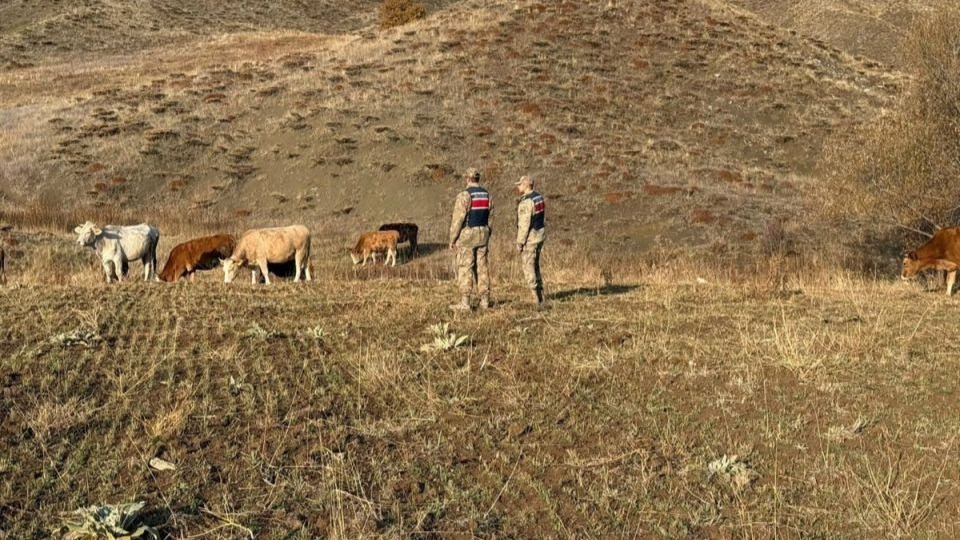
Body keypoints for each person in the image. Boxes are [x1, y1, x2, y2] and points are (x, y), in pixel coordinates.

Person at [448, 168, 492, 310]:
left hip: (468, 234)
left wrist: (452, 239)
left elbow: (458, 220)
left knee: (465, 266)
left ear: (467, 179)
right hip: (483, 233)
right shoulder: (487, 195)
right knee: (482, 267)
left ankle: (465, 302)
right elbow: (491, 217)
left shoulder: (464, 195)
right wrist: (488, 231)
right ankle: (485, 301)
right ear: (478, 179)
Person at [515, 175, 545, 307]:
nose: (518, 186)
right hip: (540, 235)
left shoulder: (526, 202)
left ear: (527, 185)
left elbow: (524, 224)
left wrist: (520, 242)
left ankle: (535, 298)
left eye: (520, 184)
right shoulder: (539, 197)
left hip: (530, 238)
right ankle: (541, 295)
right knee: (536, 265)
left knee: (528, 266)